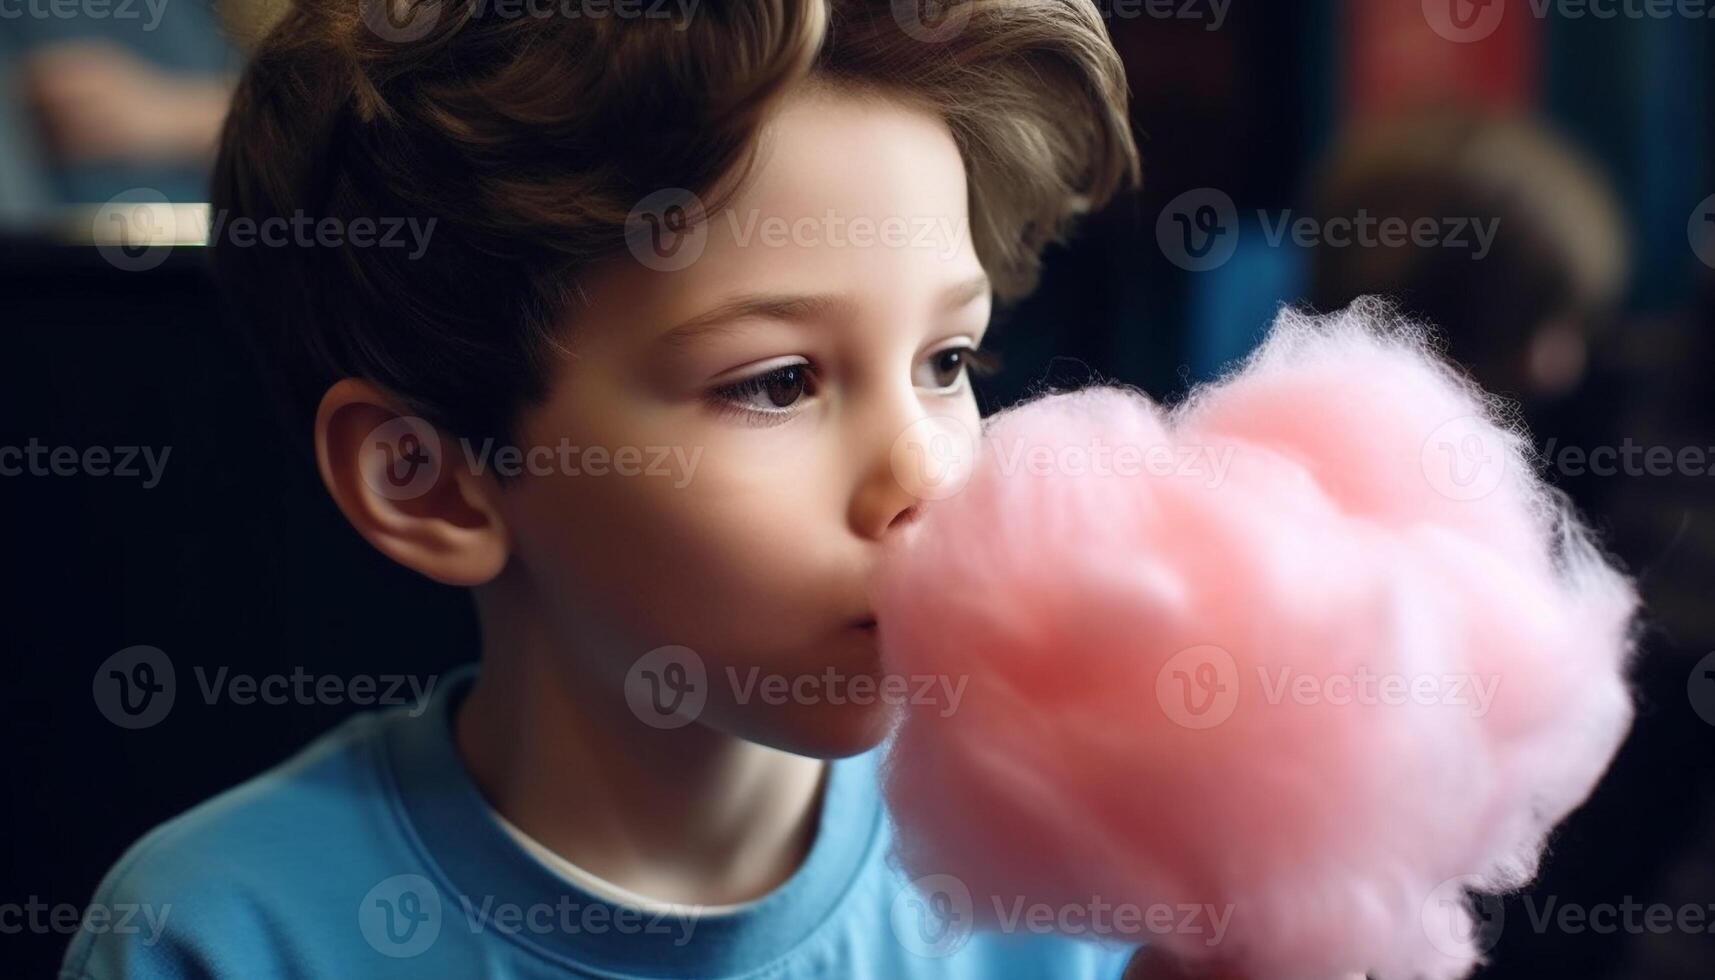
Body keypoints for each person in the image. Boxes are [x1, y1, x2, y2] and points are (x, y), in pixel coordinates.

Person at [60, 0, 1174, 977]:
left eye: (946, 361)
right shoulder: (218, 935)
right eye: (776, 382)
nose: (927, 476)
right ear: (430, 481)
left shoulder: (1077, 856)